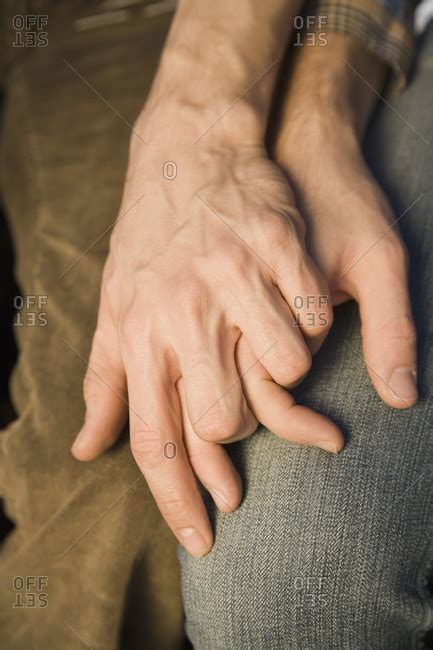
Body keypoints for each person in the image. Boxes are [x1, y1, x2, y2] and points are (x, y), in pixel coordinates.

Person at [0, 0, 431, 648]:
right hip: (103, 22)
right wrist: (189, 148)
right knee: (99, 520)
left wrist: (306, 116)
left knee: (287, 587)